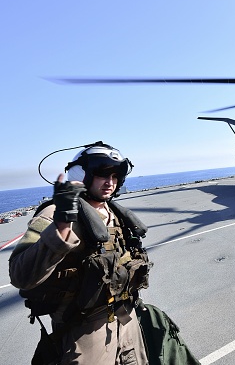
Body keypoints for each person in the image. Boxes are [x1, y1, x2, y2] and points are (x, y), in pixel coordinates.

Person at [9, 143, 152, 364]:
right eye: (102, 175)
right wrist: (61, 229)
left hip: (125, 319)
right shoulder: (56, 214)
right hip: (84, 329)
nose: (110, 182)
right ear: (81, 175)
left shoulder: (116, 214)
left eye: (115, 176)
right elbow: (21, 276)